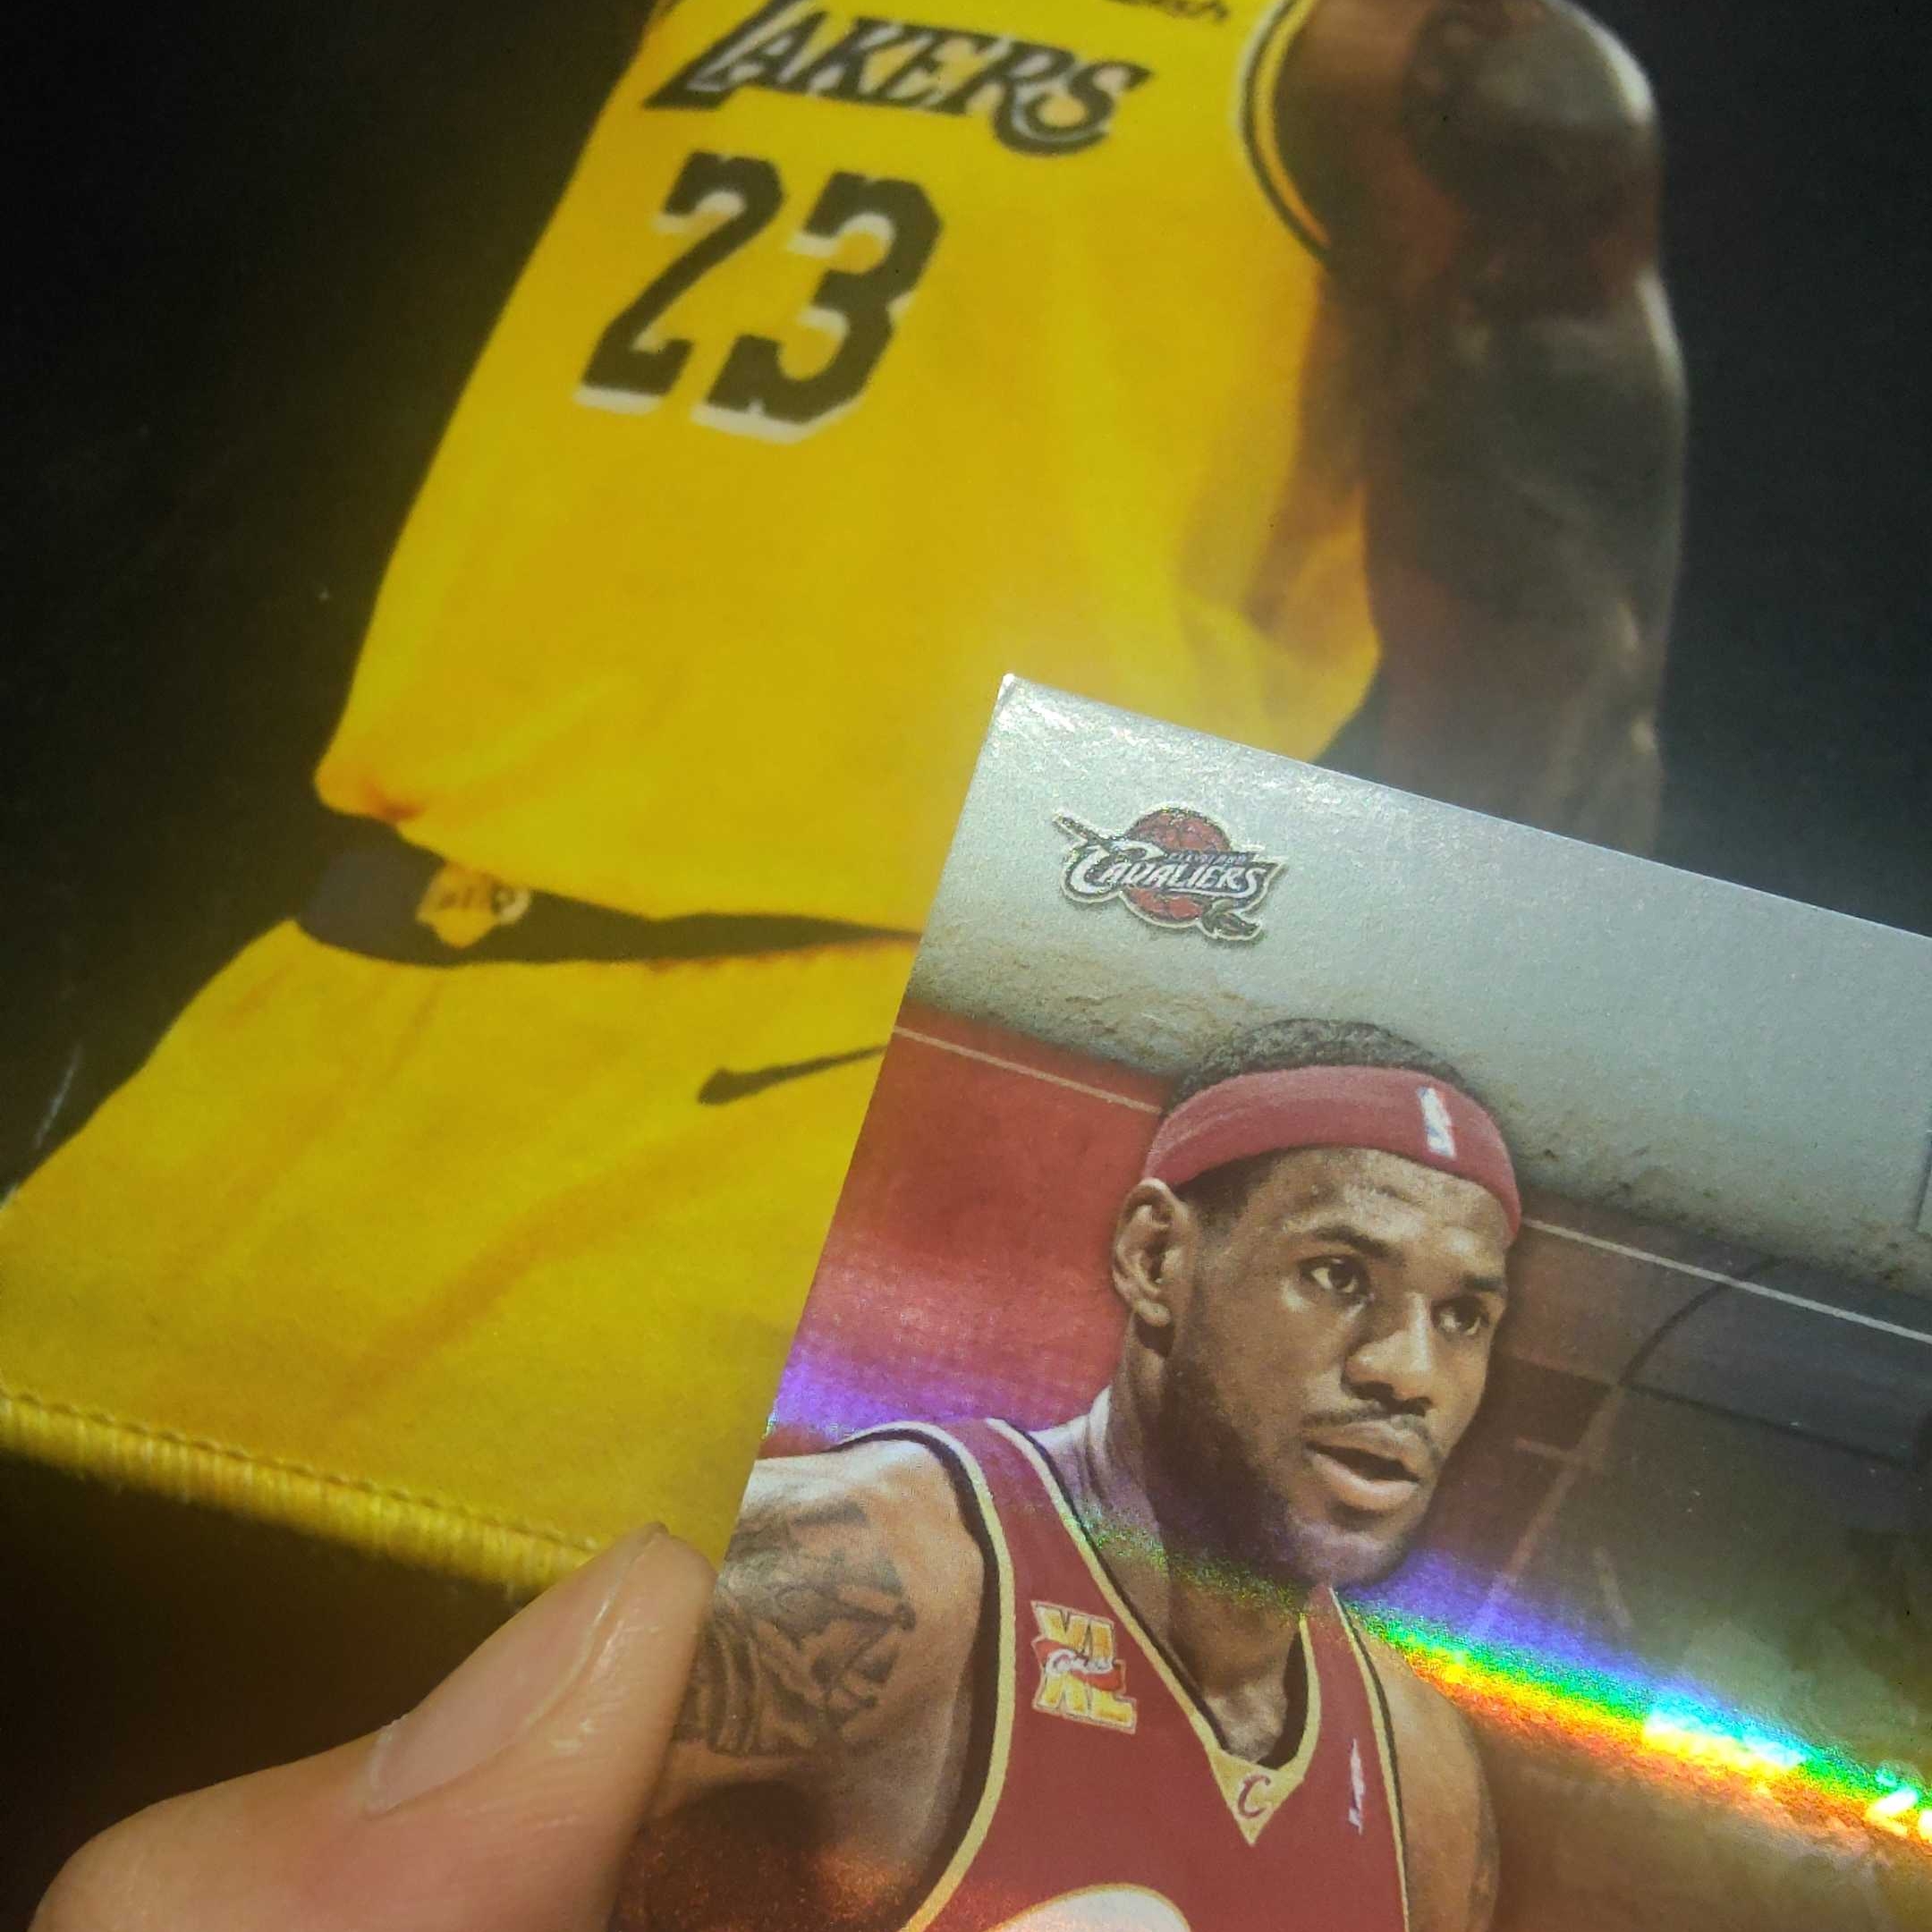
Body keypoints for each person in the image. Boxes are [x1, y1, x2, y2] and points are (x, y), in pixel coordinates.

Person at [0, 0, 1681, 1573]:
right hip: (337, 986)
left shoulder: (1417, 66)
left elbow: (1555, 728)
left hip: (836, 1082)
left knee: (476, 1749)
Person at [620, 1019, 1519, 1930]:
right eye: (1338, 1275)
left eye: (1462, 1317)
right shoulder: (873, 1587)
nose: (1411, 1373)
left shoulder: (1425, 1779)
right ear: (1156, 1258)